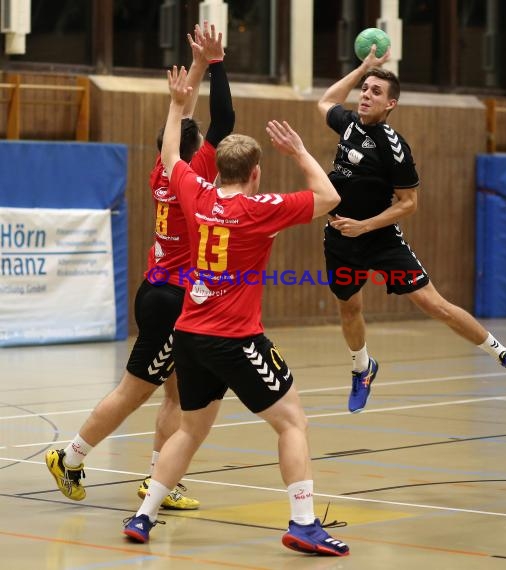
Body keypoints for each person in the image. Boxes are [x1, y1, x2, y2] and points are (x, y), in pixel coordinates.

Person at [122, 65, 349, 557]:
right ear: (255, 173)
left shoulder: (194, 193)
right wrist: (302, 151)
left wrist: (178, 103)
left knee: (191, 427)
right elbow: (331, 197)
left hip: (188, 333)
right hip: (235, 338)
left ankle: (143, 515)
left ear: (215, 167)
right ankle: (305, 524)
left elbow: (168, 154)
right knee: (292, 422)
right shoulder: (260, 208)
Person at [45, 23, 235, 509]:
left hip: (158, 290)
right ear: (199, 155)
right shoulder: (195, 173)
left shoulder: (163, 166)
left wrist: (194, 68)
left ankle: (159, 482)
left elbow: (183, 116)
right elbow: (223, 118)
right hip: (172, 299)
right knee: (134, 391)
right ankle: (68, 458)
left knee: (176, 394)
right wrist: (216, 64)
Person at [317, 46, 506, 414]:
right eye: (365, 89)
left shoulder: (394, 148)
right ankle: (362, 368)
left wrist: (365, 226)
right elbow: (326, 100)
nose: (366, 95)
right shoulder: (348, 123)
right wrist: (363, 68)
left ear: (391, 105)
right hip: (340, 238)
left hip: (380, 238)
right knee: (349, 308)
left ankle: (504, 355)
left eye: (375, 91)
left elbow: (409, 204)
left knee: (434, 305)